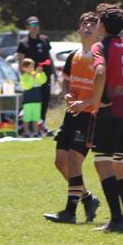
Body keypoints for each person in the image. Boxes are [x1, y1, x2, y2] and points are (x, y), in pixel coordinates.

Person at [68, 4, 123, 232]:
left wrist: (92, 101)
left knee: (102, 163)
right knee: (120, 165)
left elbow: (100, 72)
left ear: (102, 25)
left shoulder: (100, 47)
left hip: (109, 113)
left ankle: (116, 220)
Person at [44, 11, 101, 225]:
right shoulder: (74, 56)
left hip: (88, 116)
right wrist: (68, 93)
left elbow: (102, 90)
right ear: (78, 30)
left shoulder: (100, 57)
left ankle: (70, 211)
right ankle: (88, 198)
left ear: (99, 30)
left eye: (93, 23)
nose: (87, 26)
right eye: (84, 23)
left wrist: (85, 103)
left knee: (74, 161)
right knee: (60, 162)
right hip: (71, 115)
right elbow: (66, 80)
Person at [17, 16, 54, 133]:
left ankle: (41, 125)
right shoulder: (23, 43)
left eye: (37, 25)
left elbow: (49, 57)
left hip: (44, 76)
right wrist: (26, 77)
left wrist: (54, 73)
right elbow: (21, 62)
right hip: (31, 80)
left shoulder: (44, 39)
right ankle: (28, 127)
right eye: (32, 25)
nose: (35, 27)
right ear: (27, 27)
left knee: (45, 100)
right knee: (31, 103)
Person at [20, 59, 47, 137]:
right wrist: (32, 77)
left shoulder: (36, 74)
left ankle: (35, 132)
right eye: (29, 67)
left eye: (32, 66)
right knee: (27, 118)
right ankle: (26, 132)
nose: (32, 68)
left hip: (37, 100)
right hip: (28, 101)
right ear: (24, 68)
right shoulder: (24, 77)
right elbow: (27, 86)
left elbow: (43, 81)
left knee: (36, 118)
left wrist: (41, 73)